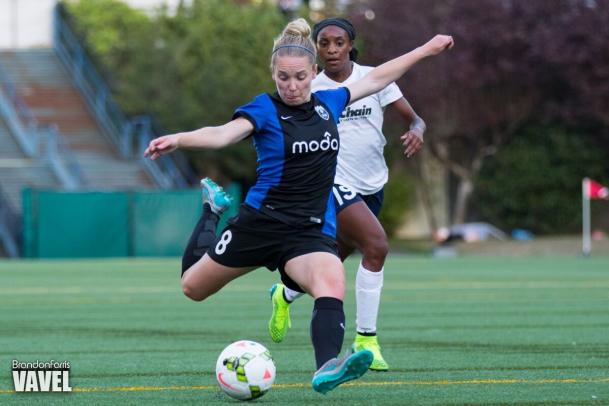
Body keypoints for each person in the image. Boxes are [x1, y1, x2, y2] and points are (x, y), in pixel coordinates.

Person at [144, 18, 453, 394]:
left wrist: (426, 50)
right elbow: (223, 134)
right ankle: (212, 211)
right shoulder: (263, 109)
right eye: (284, 78)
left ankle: (326, 368)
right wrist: (179, 139)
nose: (292, 86)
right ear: (273, 75)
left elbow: (376, 78)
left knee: (331, 280)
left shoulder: (330, 103)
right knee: (193, 288)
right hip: (260, 224)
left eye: (301, 77)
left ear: (314, 73)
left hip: (306, 230)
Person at [268, 17, 426, 372]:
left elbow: (415, 118)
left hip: (373, 184)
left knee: (333, 259)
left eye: (339, 42)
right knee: (377, 245)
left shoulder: (373, 79)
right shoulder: (311, 85)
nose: (332, 49)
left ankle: (286, 292)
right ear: (316, 49)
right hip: (332, 183)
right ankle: (366, 338)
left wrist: (417, 129)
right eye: (324, 43)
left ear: (351, 45)